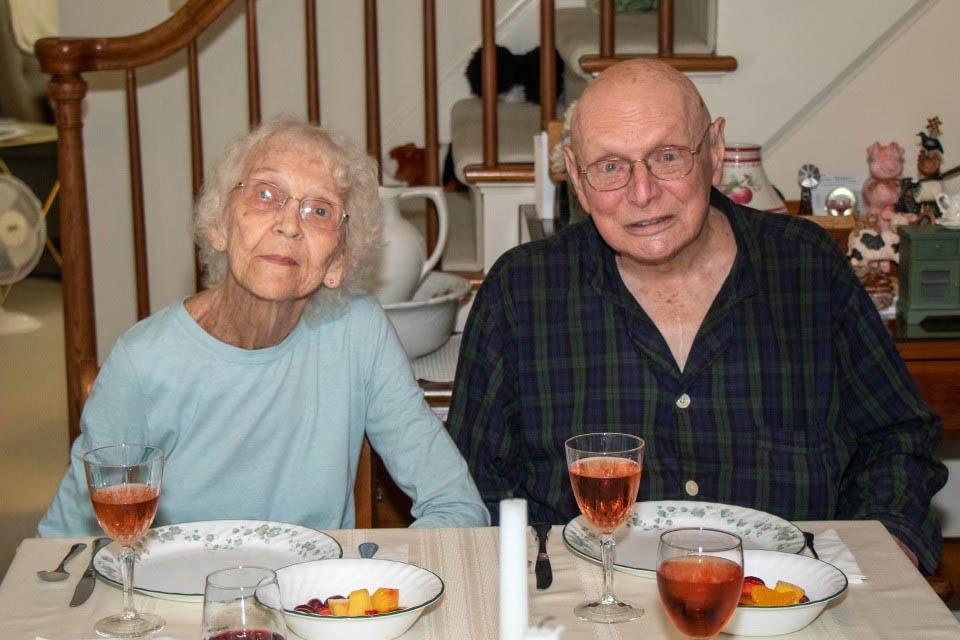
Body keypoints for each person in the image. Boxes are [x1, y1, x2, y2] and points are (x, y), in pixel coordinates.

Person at [446, 60, 946, 573]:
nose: (642, 193)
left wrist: (883, 554)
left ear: (715, 151)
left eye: (666, 156)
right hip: (593, 608)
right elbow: (471, 483)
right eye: (611, 166)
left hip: (785, 604)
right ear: (576, 174)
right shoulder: (521, 293)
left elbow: (897, 438)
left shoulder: (807, 268)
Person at [39, 117, 489, 535]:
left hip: (314, 607)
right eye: (265, 195)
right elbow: (63, 546)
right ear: (219, 225)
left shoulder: (359, 332)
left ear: (339, 261)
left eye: (319, 211)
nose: (288, 224)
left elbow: (458, 505)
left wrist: (374, 583)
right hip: (183, 609)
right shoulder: (145, 362)